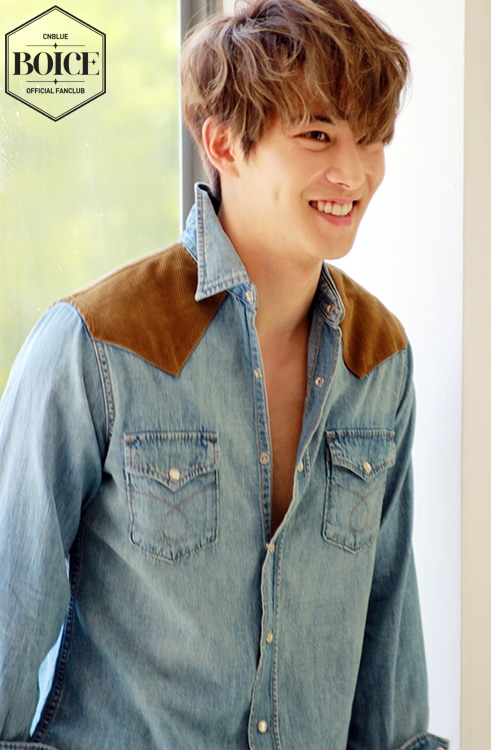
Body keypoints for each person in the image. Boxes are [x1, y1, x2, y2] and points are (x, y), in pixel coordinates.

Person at [0, 1, 448, 748]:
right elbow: (10, 614)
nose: (353, 172)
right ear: (223, 143)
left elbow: (390, 630)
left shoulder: (378, 357)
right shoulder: (96, 345)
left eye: (371, 137)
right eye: (317, 134)